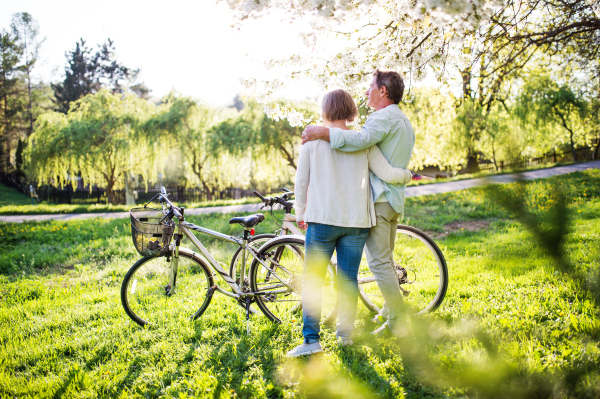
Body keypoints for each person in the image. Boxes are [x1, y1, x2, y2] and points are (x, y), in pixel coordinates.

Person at [287, 89, 412, 357]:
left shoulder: (312, 140)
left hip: (322, 220)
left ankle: (311, 341)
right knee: (348, 280)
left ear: (325, 110)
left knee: (313, 281)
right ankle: (345, 336)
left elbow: (301, 182)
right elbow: (388, 173)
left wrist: (300, 212)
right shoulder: (363, 142)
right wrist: (408, 174)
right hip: (356, 223)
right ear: (352, 111)